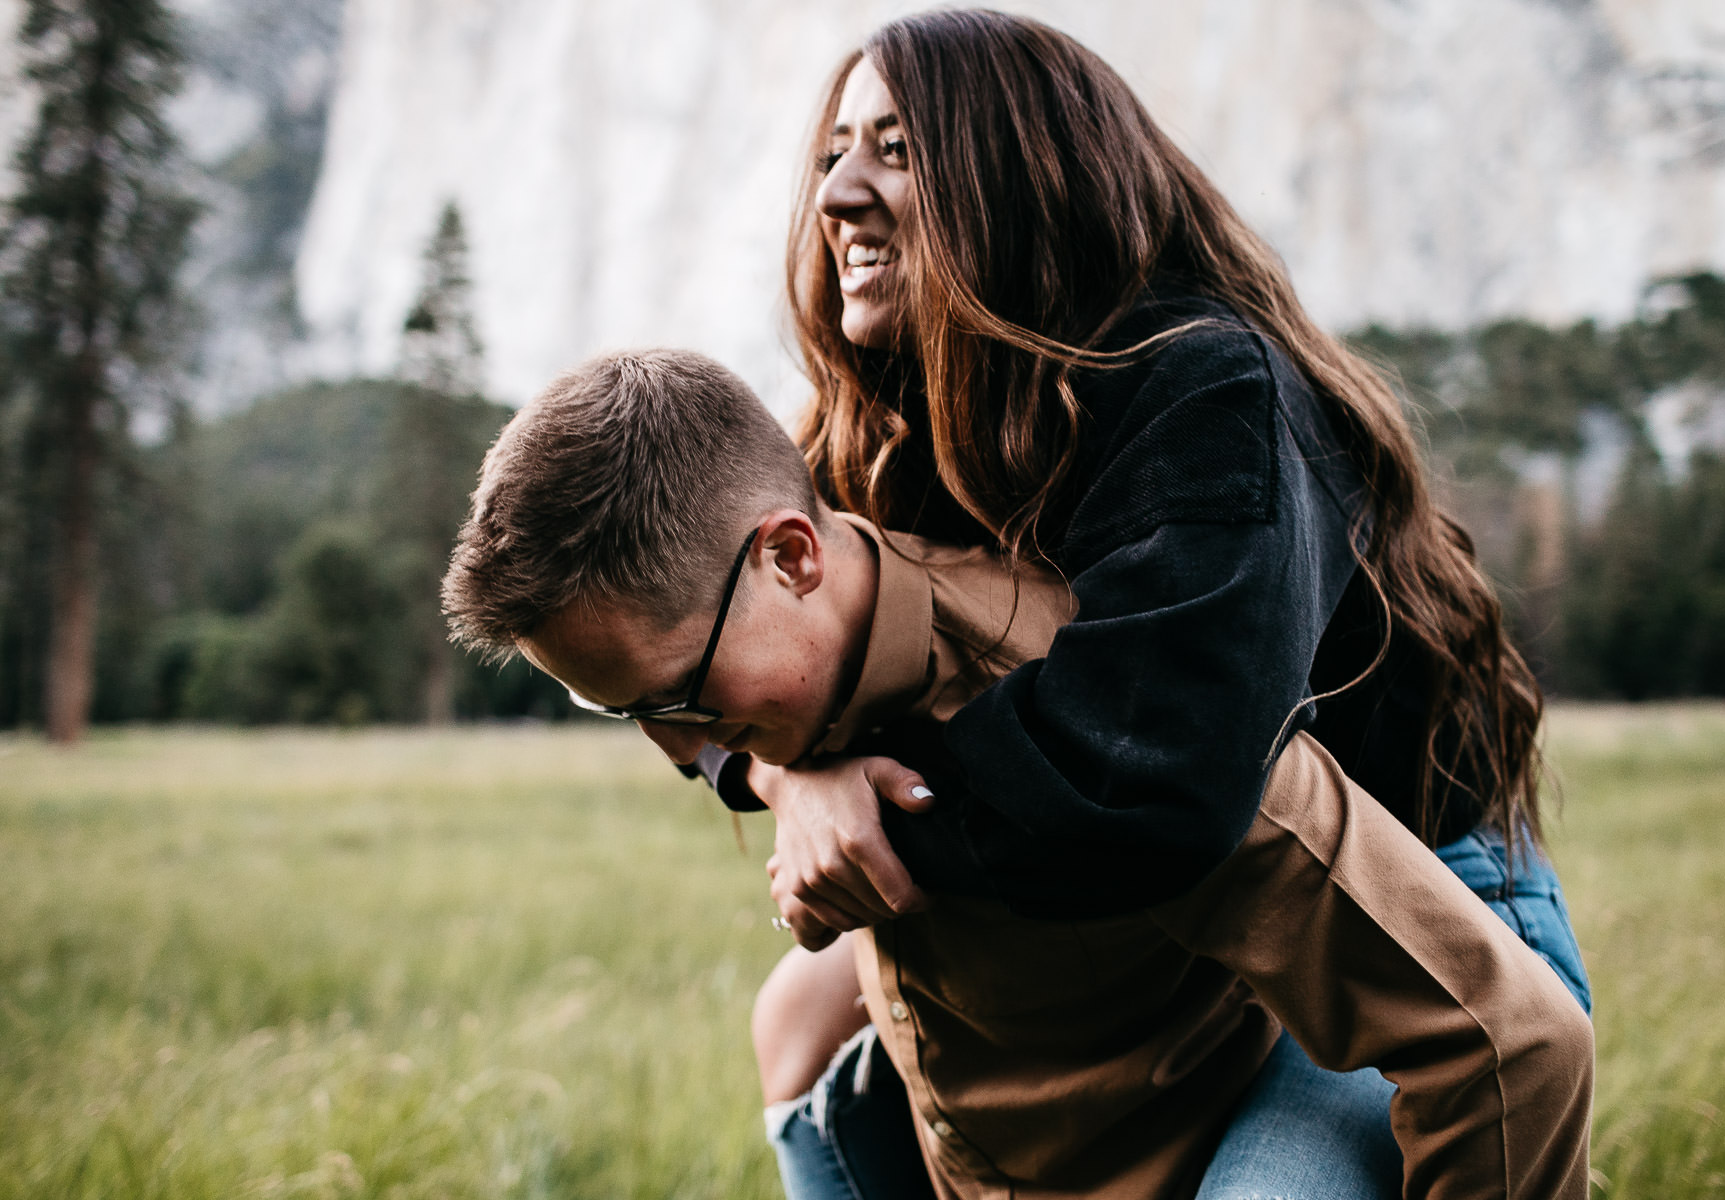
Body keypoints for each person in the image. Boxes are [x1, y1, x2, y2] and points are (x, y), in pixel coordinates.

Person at [674, 8, 1594, 1198]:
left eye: (897, 151)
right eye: (830, 157)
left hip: (1408, 916)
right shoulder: (882, 422)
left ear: (1023, 170)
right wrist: (784, 778)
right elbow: (671, 637)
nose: (838, 196)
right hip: (1196, 914)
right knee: (801, 1025)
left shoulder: (1203, 390)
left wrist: (872, 807)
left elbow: (1141, 767)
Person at [440, 348, 1593, 1200]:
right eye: (618, 712)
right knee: (797, 1034)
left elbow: (1512, 1042)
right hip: (994, 1156)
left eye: (673, 701)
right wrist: (786, 776)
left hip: (1205, 1139)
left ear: (791, 556)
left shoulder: (1106, 722)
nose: (679, 751)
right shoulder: (790, 673)